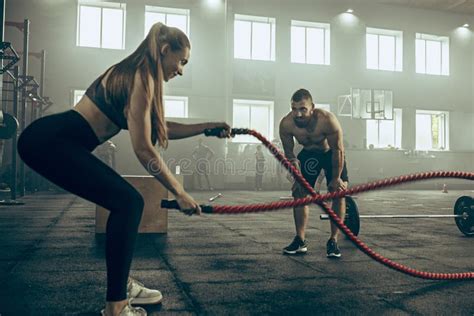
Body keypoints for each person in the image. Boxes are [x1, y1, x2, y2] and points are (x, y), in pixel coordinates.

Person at [17, 23, 231, 316]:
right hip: (51, 142)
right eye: (181, 62)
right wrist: (178, 191)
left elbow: (158, 128)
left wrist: (206, 127)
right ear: (166, 51)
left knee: (125, 202)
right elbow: (144, 148)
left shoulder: (137, 72)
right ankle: (116, 305)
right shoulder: (141, 77)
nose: (181, 70)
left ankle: (121, 286)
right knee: (128, 202)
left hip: (51, 141)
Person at [279, 88, 348, 258]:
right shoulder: (286, 124)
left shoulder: (327, 120)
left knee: (338, 192)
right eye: (294, 109)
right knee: (298, 193)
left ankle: (333, 241)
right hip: (309, 155)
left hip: (330, 154)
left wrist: (336, 178)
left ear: (312, 107)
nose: (298, 114)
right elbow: (289, 153)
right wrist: (293, 166)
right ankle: (300, 240)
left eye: (303, 109)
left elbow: (337, 151)